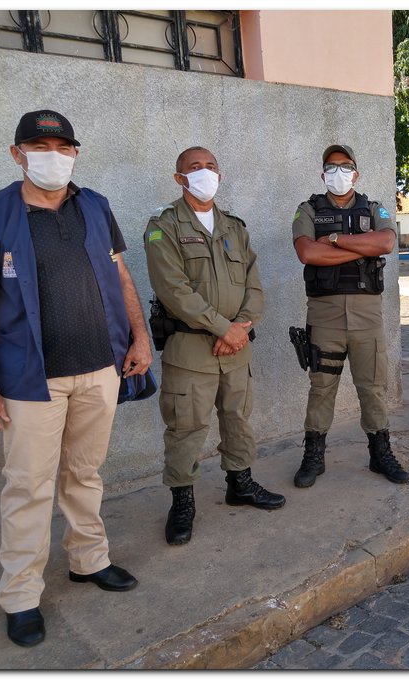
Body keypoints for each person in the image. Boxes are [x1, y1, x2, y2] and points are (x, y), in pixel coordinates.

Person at [0, 110, 151, 647]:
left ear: (75, 153)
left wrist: (140, 337)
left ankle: (89, 561)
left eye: (63, 146)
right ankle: (20, 595)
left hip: (99, 368)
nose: (53, 155)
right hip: (29, 380)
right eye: (39, 146)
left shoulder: (95, 205)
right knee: (28, 486)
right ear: (16, 153)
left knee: (85, 475)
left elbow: (119, 274)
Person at [145, 146, 284, 547]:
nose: (204, 173)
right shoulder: (164, 226)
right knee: (186, 429)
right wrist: (224, 328)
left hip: (237, 348)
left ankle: (240, 484)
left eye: (210, 167)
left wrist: (241, 327)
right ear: (179, 179)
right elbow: (173, 290)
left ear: (219, 176)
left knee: (238, 418)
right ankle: (182, 502)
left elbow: (254, 286)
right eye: (194, 167)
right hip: (191, 351)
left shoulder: (234, 228)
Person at [291, 144, 409, 487]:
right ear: (322, 173)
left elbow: (386, 243)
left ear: (356, 173)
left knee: (372, 388)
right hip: (325, 315)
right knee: (321, 388)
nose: (338, 173)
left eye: (345, 167)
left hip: (367, 315)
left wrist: (334, 241)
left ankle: (380, 453)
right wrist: (358, 245)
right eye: (332, 167)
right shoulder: (308, 209)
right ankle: (314, 457)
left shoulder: (374, 208)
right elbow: (307, 252)